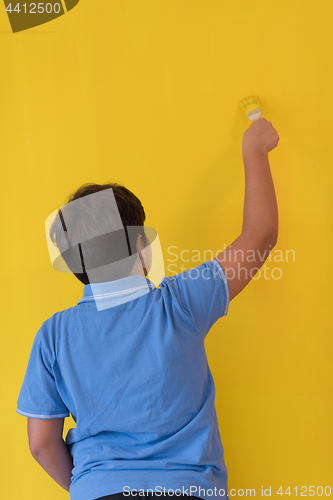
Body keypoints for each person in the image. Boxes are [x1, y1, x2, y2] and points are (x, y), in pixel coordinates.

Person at [16, 118, 279, 500]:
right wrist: (254, 149)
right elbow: (260, 236)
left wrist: (94, 486)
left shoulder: (53, 335)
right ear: (142, 245)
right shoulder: (182, 301)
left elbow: (41, 443)